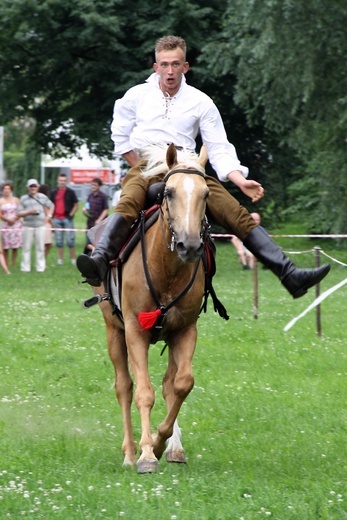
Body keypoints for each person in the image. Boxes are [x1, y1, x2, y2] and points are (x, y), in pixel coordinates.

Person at [77, 35, 330, 298]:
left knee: (234, 212)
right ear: (156, 67)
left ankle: (290, 274)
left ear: (185, 66)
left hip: (188, 166)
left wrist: (240, 180)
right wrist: (140, 167)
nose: (170, 71)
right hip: (147, 164)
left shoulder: (201, 102)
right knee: (129, 202)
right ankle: (99, 261)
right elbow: (120, 136)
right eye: (164, 64)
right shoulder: (135, 96)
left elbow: (218, 147)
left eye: (176, 64)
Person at [17, 178, 54, 272]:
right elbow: (18, 213)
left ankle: (40, 268)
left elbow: (51, 206)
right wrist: (29, 212)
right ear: (27, 187)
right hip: (27, 225)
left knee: (40, 247)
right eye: (31, 186)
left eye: (35, 186)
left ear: (37, 187)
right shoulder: (23, 198)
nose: (33, 188)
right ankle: (25, 268)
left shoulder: (43, 197)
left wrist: (48, 216)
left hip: (40, 225)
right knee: (26, 247)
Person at [50, 173, 79, 265]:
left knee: (70, 240)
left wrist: (70, 214)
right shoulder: (54, 192)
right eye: (60, 180)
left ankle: (73, 260)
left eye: (64, 181)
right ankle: (60, 260)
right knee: (59, 240)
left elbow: (76, 205)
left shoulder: (71, 192)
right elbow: (50, 205)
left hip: (67, 219)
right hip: (57, 219)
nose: (62, 182)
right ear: (58, 181)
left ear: (66, 182)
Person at [82, 178, 109, 255]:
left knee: (99, 242)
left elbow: (106, 209)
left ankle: (96, 255)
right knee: (88, 242)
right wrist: (84, 210)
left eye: (95, 185)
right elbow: (87, 207)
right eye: (92, 185)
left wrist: (99, 220)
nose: (93, 186)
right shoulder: (90, 196)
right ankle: (90, 255)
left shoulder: (103, 196)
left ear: (99, 186)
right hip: (90, 224)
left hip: (100, 225)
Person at [0, 182, 22, 268]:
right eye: (5, 189)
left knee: (15, 246)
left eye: (8, 189)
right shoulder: (1, 201)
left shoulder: (16, 200)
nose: (6, 191)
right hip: (6, 225)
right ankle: (6, 264)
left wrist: (15, 219)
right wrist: (8, 220)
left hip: (16, 224)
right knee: (6, 246)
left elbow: (20, 211)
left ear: (11, 190)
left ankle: (13, 263)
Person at [38, 184, 55, 259]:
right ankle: (42, 260)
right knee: (47, 244)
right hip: (46, 224)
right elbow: (48, 214)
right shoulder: (45, 201)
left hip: (43, 223)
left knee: (47, 244)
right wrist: (53, 225)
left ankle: (42, 260)